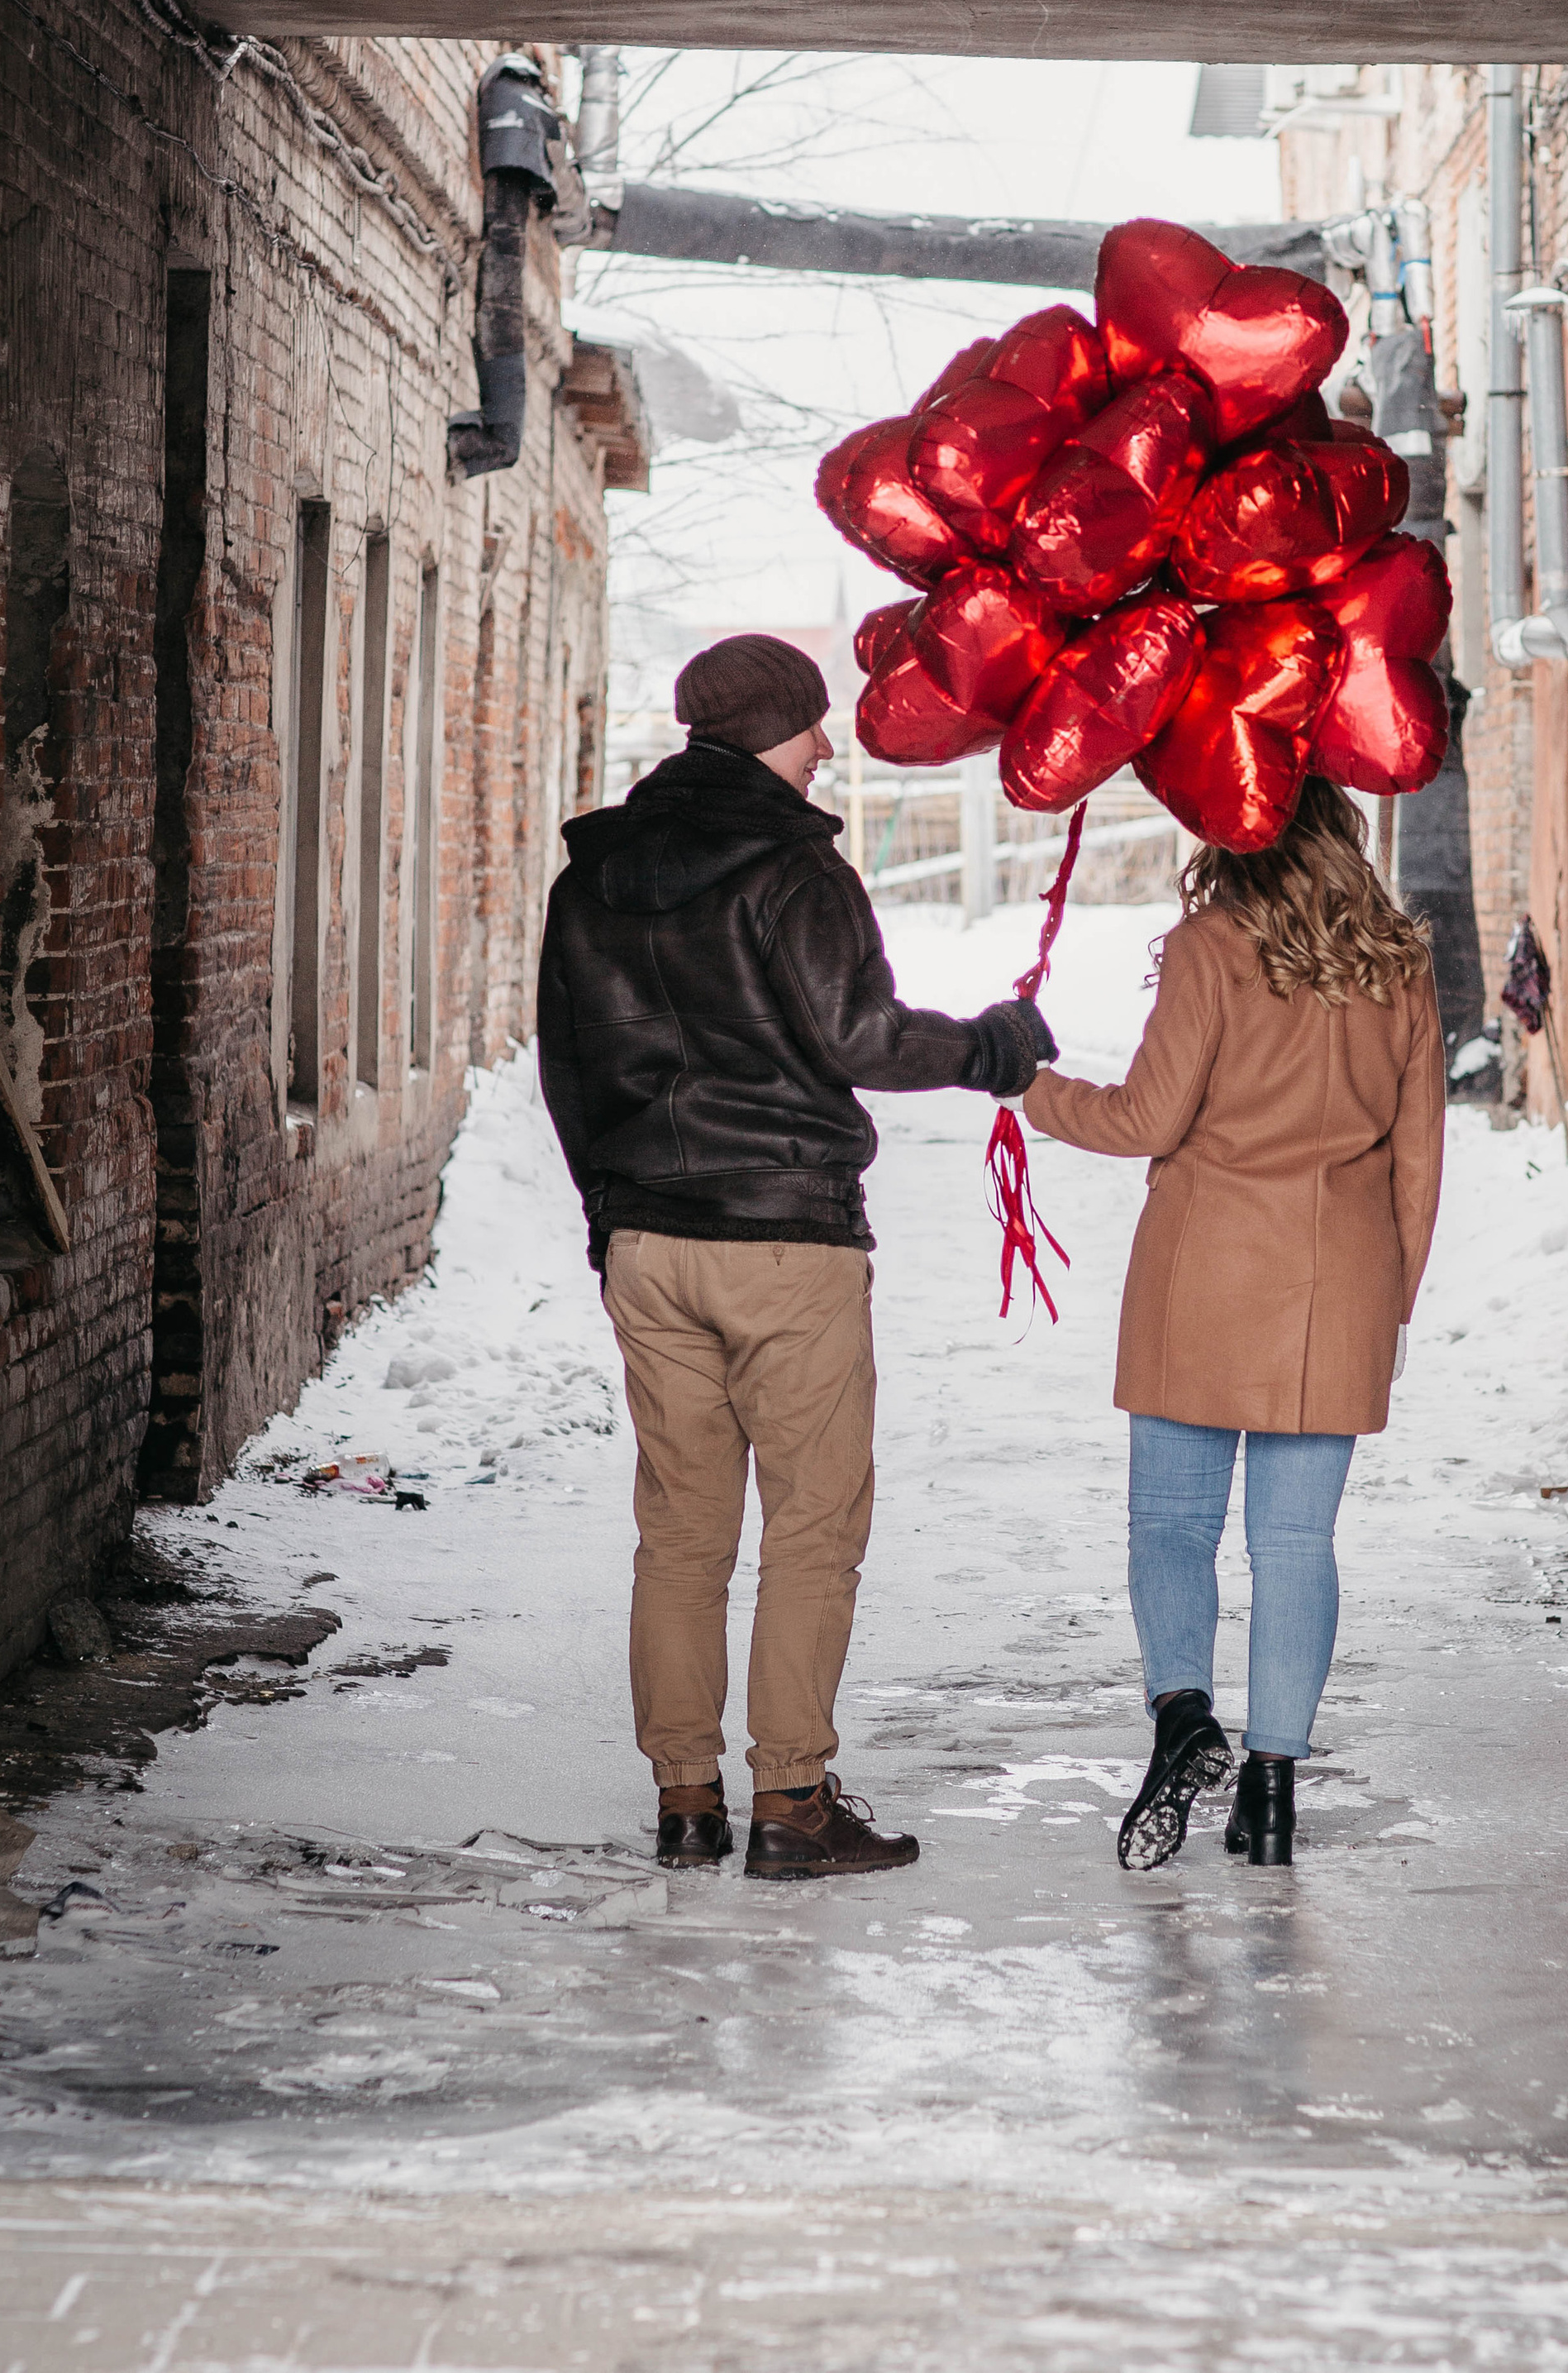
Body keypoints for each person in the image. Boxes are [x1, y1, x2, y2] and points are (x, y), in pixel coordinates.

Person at [538, 633, 1055, 1879]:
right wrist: (990, 1045)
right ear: (770, 730)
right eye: (815, 725)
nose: (830, 745)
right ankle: (793, 1806)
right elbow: (860, 1036)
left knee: (681, 1536)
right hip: (785, 1239)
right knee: (812, 1529)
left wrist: (614, 1212)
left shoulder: (590, 880)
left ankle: (685, 1802)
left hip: (649, 1242)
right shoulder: (793, 869)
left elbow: (568, 1071)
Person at [1021, 780, 1443, 1871]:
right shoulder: (1398, 960)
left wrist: (1036, 1091)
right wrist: (1387, 1307)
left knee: (1171, 1528)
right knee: (1297, 1545)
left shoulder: (1209, 945)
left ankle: (1181, 1717)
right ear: (1339, 831)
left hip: (1201, 1275)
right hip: (1336, 1284)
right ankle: (1270, 1797)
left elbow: (1149, 1118)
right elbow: (1418, 1158)